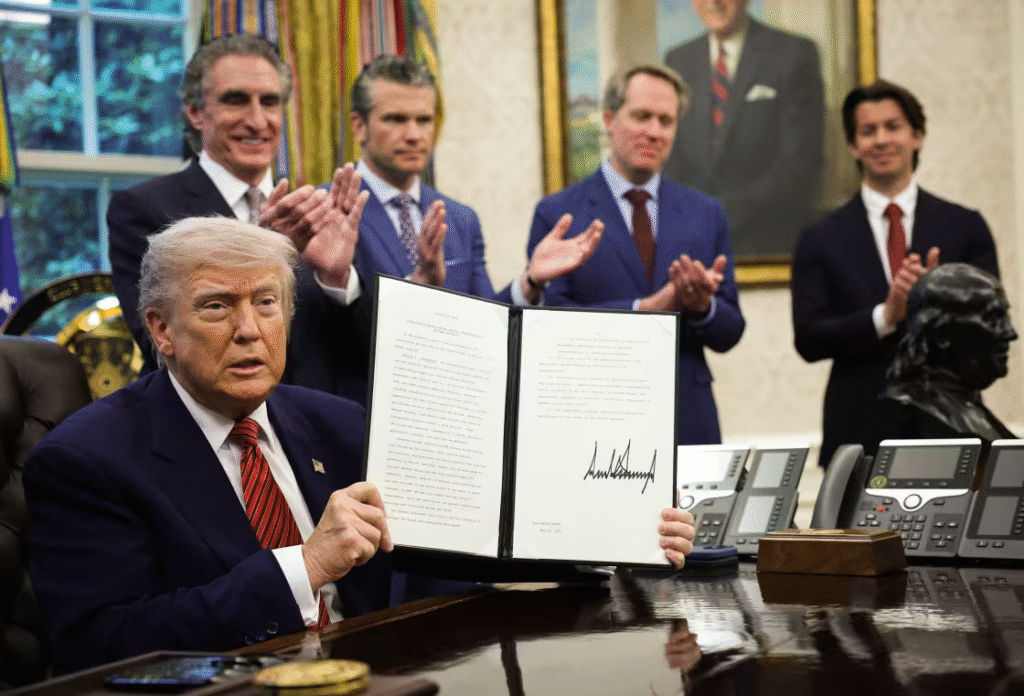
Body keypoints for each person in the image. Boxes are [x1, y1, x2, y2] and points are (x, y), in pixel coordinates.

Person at [26, 219, 697, 672]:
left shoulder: (336, 424)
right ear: (159, 329)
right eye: (215, 306)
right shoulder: (89, 459)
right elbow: (97, 648)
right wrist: (306, 566)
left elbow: (461, 542)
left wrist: (622, 536)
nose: (249, 330)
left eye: (266, 303)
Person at [107, 34, 372, 402]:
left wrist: (337, 278)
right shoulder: (145, 209)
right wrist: (261, 252)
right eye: (236, 100)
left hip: (310, 433)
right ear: (196, 113)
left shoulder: (313, 210)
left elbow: (359, 359)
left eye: (270, 102)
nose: (257, 120)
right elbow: (158, 345)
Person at [528, 64, 745, 446]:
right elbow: (549, 328)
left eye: (666, 120)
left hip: (688, 420)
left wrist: (701, 307)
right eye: (642, 116)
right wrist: (644, 309)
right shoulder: (559, 213)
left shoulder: (705, 213)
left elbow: (730, 330)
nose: (654, 132)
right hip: (596, 422)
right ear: (610, 119)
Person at [792, 80, 999, 468]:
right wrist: (885, 316)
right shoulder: (820, 239)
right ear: (854, 145)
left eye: (893, 127)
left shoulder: (965, 227)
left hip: (952, 430)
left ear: (917, 136)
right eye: (868, 131)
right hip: (859, 434)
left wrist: (938, 304)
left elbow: (989, 333)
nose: (881, 140)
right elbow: (809, 339)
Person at [349, 54, 603, 305]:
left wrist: (531, 281)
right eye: (396, 119)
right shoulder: (326, 214)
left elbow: (485, 322)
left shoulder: (461, 220)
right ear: (359, 125)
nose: (414, 135)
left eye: (424, 120)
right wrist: (417, 284)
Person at [663, 0, 823, 258]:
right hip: (694, 243)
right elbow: (671, 156)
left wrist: (724, 216)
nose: (713, 3)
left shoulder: (793, 53)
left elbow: (801, 163)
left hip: (769, 243)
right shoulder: (678, 60)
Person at [882, 263, 1016, 442]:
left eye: (1006, 317)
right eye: (992, 318)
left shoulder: (967, 406)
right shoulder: (918, 414)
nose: (1010, 333)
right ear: (941, 333)